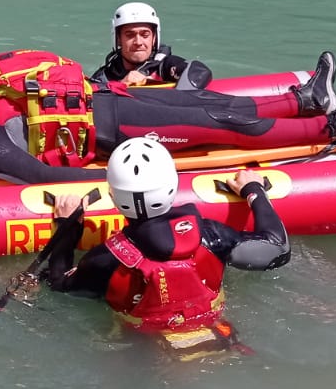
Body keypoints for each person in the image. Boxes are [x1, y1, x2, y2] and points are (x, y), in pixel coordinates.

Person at [0, 47, 336, 185]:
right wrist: (110, 184)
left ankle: (306, 100)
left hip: (112, 99)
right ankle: (331, 127)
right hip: (117, 132)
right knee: (221, 126)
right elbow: (36, 176)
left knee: (213, 104)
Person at [39, 137, 291, 351]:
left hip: (143, 350)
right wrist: (254, 190)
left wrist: (67, 227)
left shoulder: (104, 260)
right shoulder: (213, 236)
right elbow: (277, 249)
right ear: (172, 186)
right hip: (222, 336)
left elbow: (58, 283)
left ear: (113, 196)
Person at [90, 2, 212, 89]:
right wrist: (120, 85)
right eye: (129, 35)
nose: (138, 42)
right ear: (118, 39)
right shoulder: (104, 76)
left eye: (145, 35)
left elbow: (199, 71)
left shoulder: (164, 65)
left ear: (154, 38)